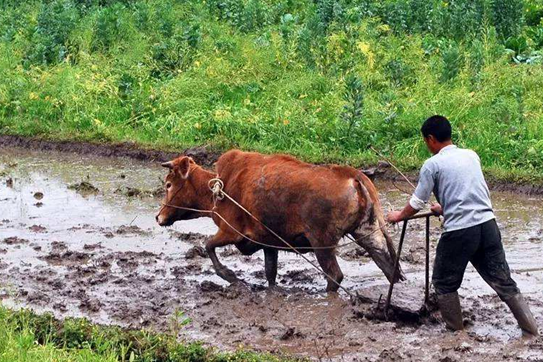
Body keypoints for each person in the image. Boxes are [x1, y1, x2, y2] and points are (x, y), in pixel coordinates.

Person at [386, 115, 539, 336]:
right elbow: (471, 193)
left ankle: (456, 335)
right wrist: (444, 208)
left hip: (460, 232)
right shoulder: (471, 156)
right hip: (488, 226)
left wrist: (398, 216)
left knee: (443, 283)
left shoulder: (432, 165)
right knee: (503, 281)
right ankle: (531, 330)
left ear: (430, 139)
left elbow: (417, 202)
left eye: (425, 141)